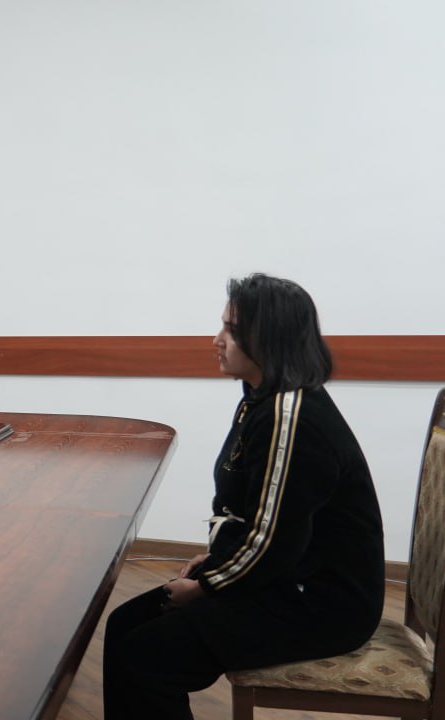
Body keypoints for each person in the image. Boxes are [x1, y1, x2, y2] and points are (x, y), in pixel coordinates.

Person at [102, 274, 384, 718]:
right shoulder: (263, 399)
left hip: (321, 605)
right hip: (284, 578)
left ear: (267, 337)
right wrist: (216, 561)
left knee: (146, 657)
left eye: (231, 330)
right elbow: (254, 515)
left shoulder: (292, 418)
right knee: (125, 625)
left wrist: (208, 585)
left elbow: (275, 540)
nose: (216, 340)